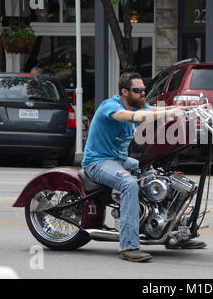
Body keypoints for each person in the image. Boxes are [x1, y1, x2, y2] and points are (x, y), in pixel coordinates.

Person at [82, 72, 206, 262]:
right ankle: (128, 246)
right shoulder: (111, 106)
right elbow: (134, 117)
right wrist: (171, 113)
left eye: (143, 90)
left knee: (161, 176)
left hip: (120, 160)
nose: (142, 93)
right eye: (138, 90)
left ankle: (175, 235)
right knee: (129, 184)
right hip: (98, 162)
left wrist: (194, 109)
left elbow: (155, 110)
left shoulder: (138, 105)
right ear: (124, 91)